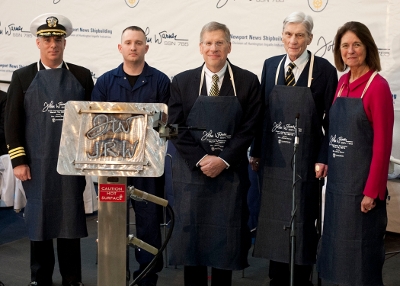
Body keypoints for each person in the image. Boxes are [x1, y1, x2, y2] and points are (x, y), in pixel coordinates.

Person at [168, 21, 261, 286]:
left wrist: (223, 159)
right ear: (200, 48)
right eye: (208, 43)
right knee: (192, 243)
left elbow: (250, 127)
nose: (214, 48)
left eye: (220, 43)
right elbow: (174, 128)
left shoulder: (247, 81)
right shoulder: (182, 82)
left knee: (225, 243)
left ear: (229, 47)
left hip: (229, 176)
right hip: (192, 175)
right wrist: (201, 159)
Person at [249, 11, 338, 285]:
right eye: (289, 34)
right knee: (275, 217)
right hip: (273, 159)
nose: (293, 40)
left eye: (300, 35)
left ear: (310, 38)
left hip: (308, 160)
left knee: (302, 219)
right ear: (282, 36)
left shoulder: (324, 70)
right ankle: (276, 277)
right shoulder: (270, 65)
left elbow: (332, 119)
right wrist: (256, 151)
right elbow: (262, 113)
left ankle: (301, 278)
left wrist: (324, 158)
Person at [5, 13, 93, 286]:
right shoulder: (22, 76)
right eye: (47, 39)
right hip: (37, 164)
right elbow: (12, 121)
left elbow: (92, 119)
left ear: (65, 43)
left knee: (70, 220)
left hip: (72, 164)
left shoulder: (81, 75)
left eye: (58, 39)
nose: (52, 44)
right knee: (39, 222)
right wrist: (18, 161)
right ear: (38, 43)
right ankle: (39, 278)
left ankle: (72, 278)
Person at [91, 26, 170, 286]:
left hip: (147, 167)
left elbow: (166, 127)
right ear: (120, 48)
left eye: (139, 42)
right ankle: (114, 275)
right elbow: (95, 124)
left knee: (148, 224)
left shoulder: (160, 81)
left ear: (147, 47)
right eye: (128, 42)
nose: (133, 47)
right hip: (112, 167)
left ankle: (146, 278)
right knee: (112, 222)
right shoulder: (104, 82)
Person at [317, 21, 394, 286]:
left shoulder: (378, 86)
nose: (351, 51)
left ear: (367, 47)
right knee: (339, 257)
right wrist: (324, 160)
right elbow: (334, 131)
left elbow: (383, 146)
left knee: (362, 261)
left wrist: (372, 192)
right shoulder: (341, 83)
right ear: (339, 51)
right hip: (339, 190)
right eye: (345, 46)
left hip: (364, 191)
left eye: (356, 45)